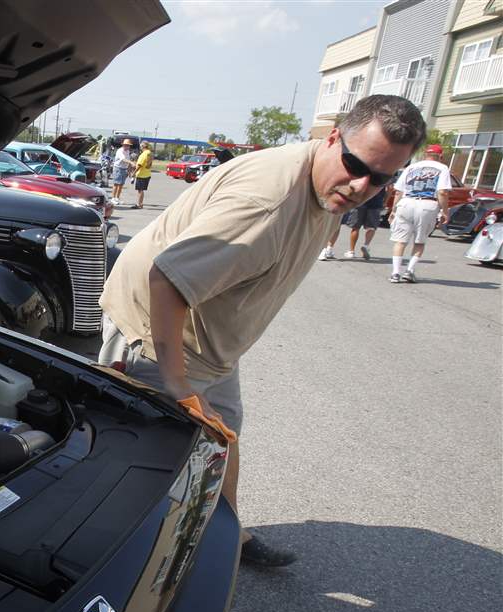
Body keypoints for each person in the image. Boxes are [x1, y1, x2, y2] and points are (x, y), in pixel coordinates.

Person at [98, 95, 424, 567]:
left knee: (222, 433)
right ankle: (123, 567)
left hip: (212, 342)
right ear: (332, 139)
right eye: (356, 165)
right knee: (149, 456)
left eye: (381, 178)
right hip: (154, 336)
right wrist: (179, 385)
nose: (361, 186)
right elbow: (166, 280)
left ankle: (224, 534)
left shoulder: (329, 183)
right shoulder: (265, 204)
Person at [388, 144, 451, 283]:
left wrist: (393, 210)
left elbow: (398, 191)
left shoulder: (411, 167)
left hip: (406, 202)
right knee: (420, 240)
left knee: (400, 240)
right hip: (427, 204)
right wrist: (444, 211)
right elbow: (442, 192)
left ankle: (395, 272)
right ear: (440, 156)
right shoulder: (442, 168)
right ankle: (409, 270)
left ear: (425, 154)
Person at [318, 186, 386, 260]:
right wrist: (385, 201)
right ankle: (366, 245)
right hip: (375, 202)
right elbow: (390, 188)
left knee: (354, 227)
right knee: (371, 227)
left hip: (358, 202)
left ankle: (350, 251)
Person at [111, 138, 134, 204]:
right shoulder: (120, 151)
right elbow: (123, 159)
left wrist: (129, 171)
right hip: (118, 168)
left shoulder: (128, 151)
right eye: (126, 145)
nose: (127, 146)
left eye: (128, 145)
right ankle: (113, 198)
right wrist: (131, 162)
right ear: (123, 145)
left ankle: (117, 198)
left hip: (124, 169)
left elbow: (127, 161)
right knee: (116, 184)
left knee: (121, 184)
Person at [133, 142, 153, 208]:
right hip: (147, 174)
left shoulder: (144, 154)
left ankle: (139, 204)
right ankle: (140, 203)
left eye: (141, 146)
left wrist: (134, 172)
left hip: (142, 174)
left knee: (140, 190)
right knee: (141, 190)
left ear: (143, 146)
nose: (140, 147)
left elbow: (140, 165)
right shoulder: (149, 153)